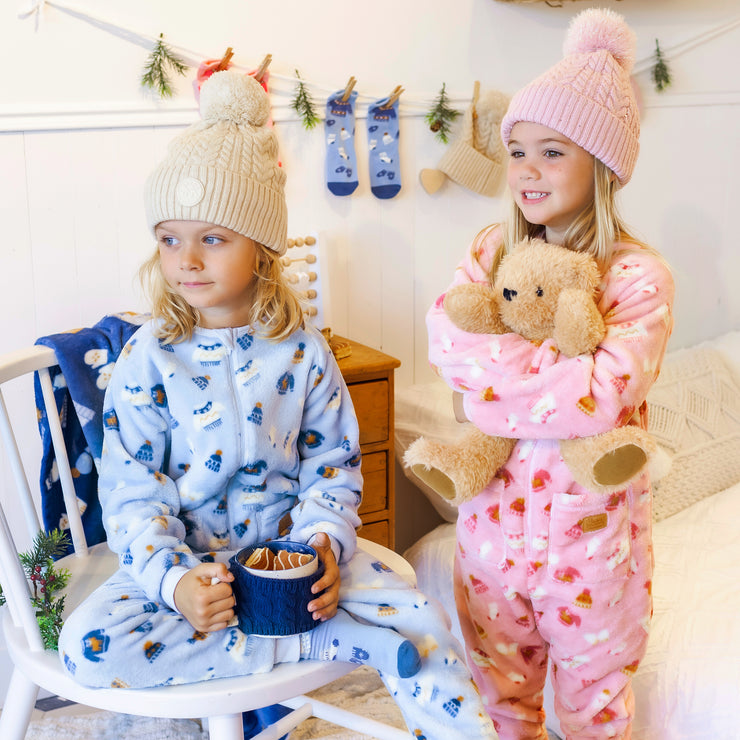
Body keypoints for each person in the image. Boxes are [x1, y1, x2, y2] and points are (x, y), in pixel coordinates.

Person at [58, 70, 496, 739]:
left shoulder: (303, 352)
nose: (186, 259)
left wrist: (322, 546)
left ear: (262, 247)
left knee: (420, 617)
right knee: (87, 648)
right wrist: (174, 582)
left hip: (291, 560)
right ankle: (314, 641)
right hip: (195, 570)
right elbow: (130, 491)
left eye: (212, 238)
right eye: (170, 238)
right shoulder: (148, 358)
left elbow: (334, 468)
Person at [425, 9, 674, 740]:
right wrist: (554, 375)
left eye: (552, 152)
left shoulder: (638, 278)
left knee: (595, 709)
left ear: (602, 164)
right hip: (491, 541)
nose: (527, 171)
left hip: (590, 546)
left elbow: (601, 398)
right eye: (518, 152)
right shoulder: (488, 253)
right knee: (501, 704)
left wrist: (494, 391)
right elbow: (450, 348)